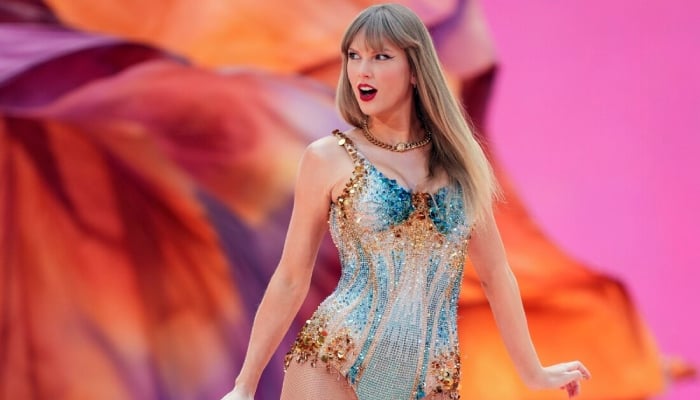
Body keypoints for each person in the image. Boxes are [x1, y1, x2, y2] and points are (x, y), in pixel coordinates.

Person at [221, 4, 590, 399]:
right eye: (354, 56)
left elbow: (496, 275)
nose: (362, 70)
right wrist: (245, 385)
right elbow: (291, 277)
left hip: (430, 382)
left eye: (380, 57)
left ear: (415, 70)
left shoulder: (461, 164)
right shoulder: (327, 157)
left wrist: (533, 372)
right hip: (333, 361)